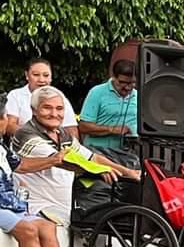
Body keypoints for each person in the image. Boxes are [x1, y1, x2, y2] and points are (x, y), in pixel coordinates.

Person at [11, 87, 139, 226]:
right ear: (34, 110)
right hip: (36, 206)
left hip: (63, 205)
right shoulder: (26, 133)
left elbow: (91, 157)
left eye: (59, 108)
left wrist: (127, 172)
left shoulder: (61, 133)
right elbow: (62, 162)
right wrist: (97, 170)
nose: (54, 114)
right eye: (47, 108)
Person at [0, 137, 89, 247]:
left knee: (47, 226)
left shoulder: (2, 147)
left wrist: (53, 160)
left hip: (10, 205)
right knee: (28, 230)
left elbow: (21, 165)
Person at [5, 58, 79, 139]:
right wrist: (37, 138)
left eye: (46, 75)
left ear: (51, 77)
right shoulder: (15, 95)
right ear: (27, 75)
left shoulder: (60, 98)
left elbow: (72, 129)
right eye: (36, 75)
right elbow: (9, 125)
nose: (41, 80)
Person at [78, 59, 138, 155]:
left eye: (132, 83)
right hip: (98, 152)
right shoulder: (97, 92)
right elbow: (83, 126)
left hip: (129, 154)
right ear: (113, 77)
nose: (127, 87)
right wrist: (112, 129)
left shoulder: (138, 96)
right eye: (123, 82)